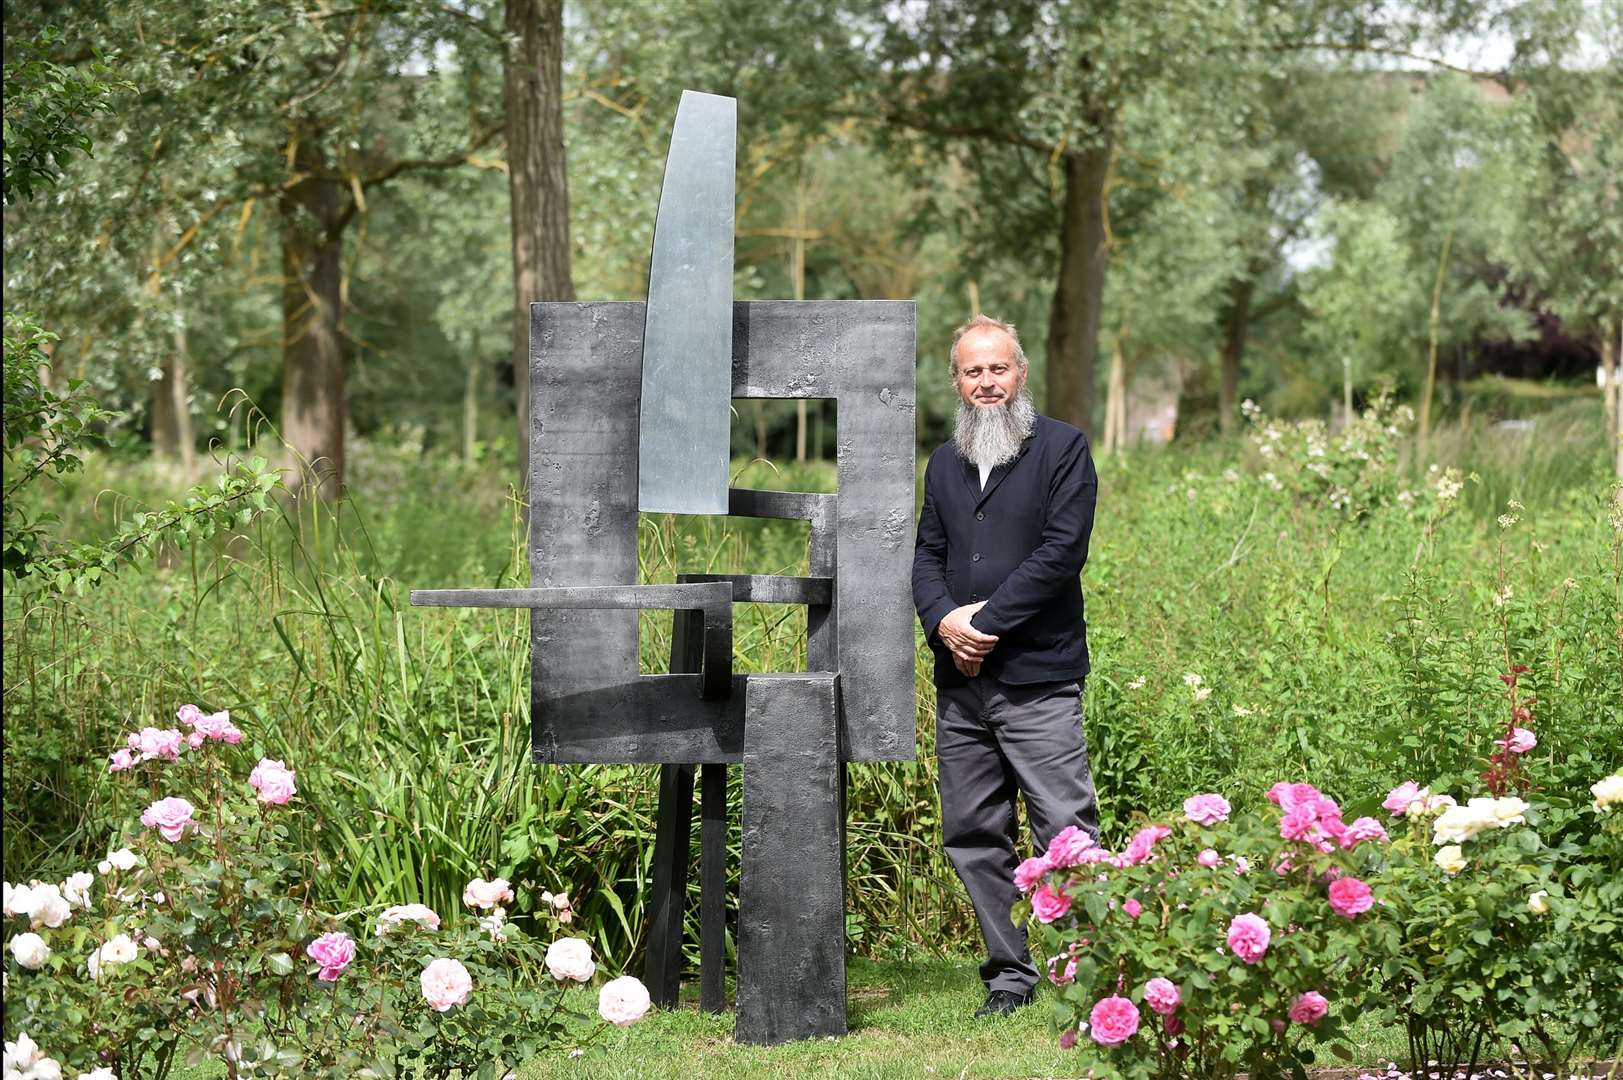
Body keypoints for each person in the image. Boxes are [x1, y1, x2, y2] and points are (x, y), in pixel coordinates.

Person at [911, 314, 1100, 1019]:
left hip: (1037, 677)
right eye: (971, 371)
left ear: (1019, 373)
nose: (985, 382)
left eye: (997, 369)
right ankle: (1010, 975)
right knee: (970, 831)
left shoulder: (1062, 449)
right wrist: (941, 620)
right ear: (956, 382)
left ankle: (1087, 968)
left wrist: (983, 623)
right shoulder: (944, 461)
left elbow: (1061, 552)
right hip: (961, 683)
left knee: (1065, 827)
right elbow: (926, 554)